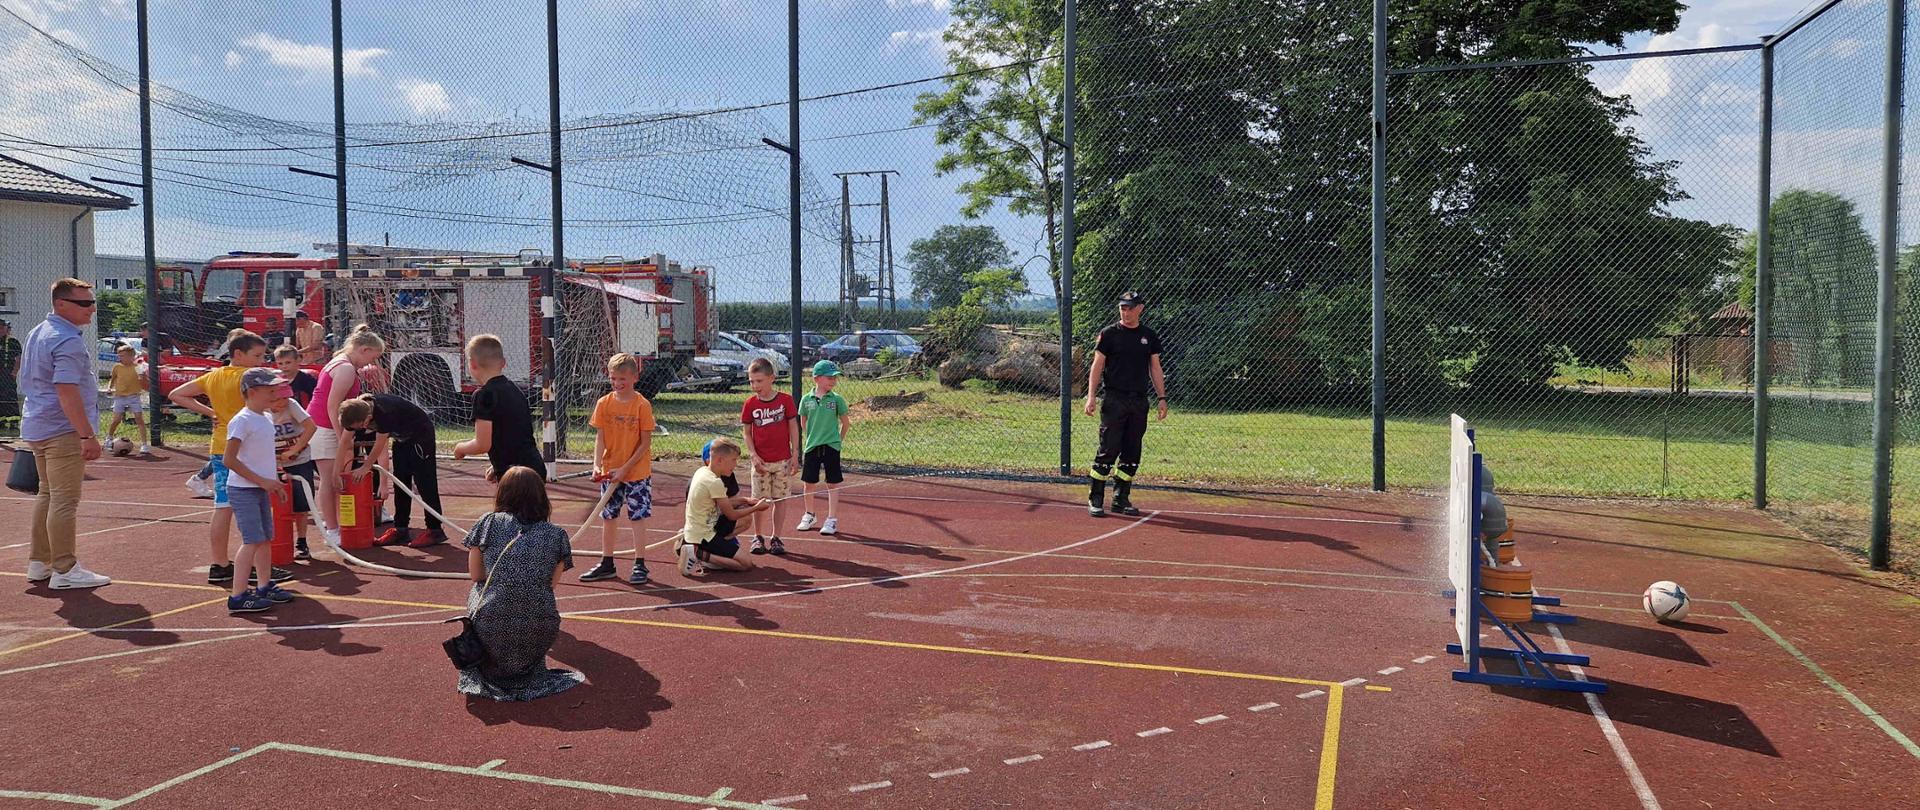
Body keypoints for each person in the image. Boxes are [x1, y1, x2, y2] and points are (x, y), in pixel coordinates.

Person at [169, 329, 289, 586]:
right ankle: (256, 565)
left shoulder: (214, 375)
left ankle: (220, 562)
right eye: (256, 355)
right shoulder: (249, 377)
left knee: (223, 507)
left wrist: (209, 412)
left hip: (221, 445)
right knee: (254, 508)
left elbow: (176, 394)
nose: (260, 361)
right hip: (246, 448)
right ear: (238, 354)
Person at [459, 466, 584, 702]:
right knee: (532, 597)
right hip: (539, 625)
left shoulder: (488, 523)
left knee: (482, 592)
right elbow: (550, 584)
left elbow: (476, 575)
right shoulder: (557, 535)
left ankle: (493, 666)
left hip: (491, 625)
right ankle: (526, 666)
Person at [19, 279, 110, 590]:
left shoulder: (38, 331)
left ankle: (40, 562)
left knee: (47, 494)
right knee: (64, 500)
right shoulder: (67, 339)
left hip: (37, 423)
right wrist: (86, 435)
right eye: (84, 303)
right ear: (61, 305)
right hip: (62, 428)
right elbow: (66, 389)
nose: (92, 308)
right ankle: (65, 569)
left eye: (91, 302)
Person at [1082, 291, 1168, 517]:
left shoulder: (1149, 336)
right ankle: (1096, 498)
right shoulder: (1109, 334)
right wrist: (1091, 396)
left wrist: (1162, 398)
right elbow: (1097, 366)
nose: (1125, 311)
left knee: (1132, 451)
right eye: (1122, 307)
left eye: (1130, 307)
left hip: (1138, 400)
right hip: (1115, 399)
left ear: (1140, 308)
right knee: (1108, 448)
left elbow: (1155, 369)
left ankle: (1121, 498)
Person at [222, 368, 297, 614]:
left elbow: (262, 455)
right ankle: (238, 595)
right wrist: (263, 482)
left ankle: (264, 586)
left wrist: (275, 477)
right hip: (244, 489)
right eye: (270, 391)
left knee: (265, 539)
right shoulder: (242, 421)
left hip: (260, 488)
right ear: (252, 392)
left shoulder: (264, 417)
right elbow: (229, 460)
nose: (275, 395)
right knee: (252, 541)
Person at [580, 353, 655, 585]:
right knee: (608, 516)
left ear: (634, 378)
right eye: (613, 378)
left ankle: (640, 563)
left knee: (637, 516)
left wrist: (625, 468)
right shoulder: (604, 403)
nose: (617, 383)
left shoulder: (642, 405)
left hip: (636, 473)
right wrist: (596, 465)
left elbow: (645, 443)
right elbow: (600, 438)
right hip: (610, 473)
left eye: (622, 379)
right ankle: (607, 562)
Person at [311, 326, 386, 548]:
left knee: (337, 480)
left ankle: (337, 525)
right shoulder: (345, 369)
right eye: (372, 357)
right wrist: (342, 436)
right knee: (329, 480)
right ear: (364, 349)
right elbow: (332, 406)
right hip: (324, 428)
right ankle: (332, 530)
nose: (370, 364)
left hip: (327, 427)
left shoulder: (342, 364)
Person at [339, 393, 447, 547]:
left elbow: (380, 444)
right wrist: (337, 474)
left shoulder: (384, 411)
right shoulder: (355, 412)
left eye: (363, 425)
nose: (363, 429)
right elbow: (344, 443)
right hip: (401, 439)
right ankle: (400, 528)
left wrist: (365, 467)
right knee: (400, 481)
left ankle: (435, 530)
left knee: (425, 482)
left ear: (368, 417)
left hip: (420, 436)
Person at [452, 334, 544, 482]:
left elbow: (482, 444)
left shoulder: (483, 395)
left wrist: (460, 448)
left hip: (514, 477)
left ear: (472, 364)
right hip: (535, 469)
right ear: (503, 363)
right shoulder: (516, 390)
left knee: (510, 505)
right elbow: (515, 434)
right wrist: (497, 466)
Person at [677, 438, 769, 577]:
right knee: (745, 564)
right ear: (720, 460)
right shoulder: (714, 482)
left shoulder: (702, 472)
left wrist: (746, 500)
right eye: (733, 460)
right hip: (705, 535)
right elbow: (731, 515)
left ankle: (690, 545)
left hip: (700, 527)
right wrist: (756, 508)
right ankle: (699, 554)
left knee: (744, 516)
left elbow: (722, 504)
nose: (736, 464)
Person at [740, 357, 798, 555]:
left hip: (782, 460)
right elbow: (747, 432)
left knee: (780, 499)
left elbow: (793, 426)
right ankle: (757, 537)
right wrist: (753, 456)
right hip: (761, 462)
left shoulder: (785, 400)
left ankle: (776, 538)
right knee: (760, 501)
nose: (755, 385)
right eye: (751, 381)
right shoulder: (750, 404)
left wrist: (795, 453)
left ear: (771, 378)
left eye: (759, 381)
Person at [795, 360, 851, 536]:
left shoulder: (837, 400)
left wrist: (837, 441)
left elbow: (845, 423)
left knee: (832, 483)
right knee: (808, 483)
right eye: (829, 378)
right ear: (816, 379)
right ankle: (809, 515)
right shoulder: (806, 400)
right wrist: (812, 436)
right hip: (812, 446)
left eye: (835, 378)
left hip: (831, 447)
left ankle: (831, 519)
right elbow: (803, 422)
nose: (833, 381)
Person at [269, 377, 319, 561]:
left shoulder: (291, 405)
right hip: (272, 463)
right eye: (275, 400)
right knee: (275, 504)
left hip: (299, 461)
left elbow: (310, 426)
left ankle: (302, 542)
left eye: (284, 399)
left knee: (301, 504)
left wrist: (295, 449)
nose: (280, 404)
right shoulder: (261, 410)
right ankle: (275, 540)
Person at [103, 343, 151, 455]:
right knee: (116, 420)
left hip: (134, 396)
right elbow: (113, 379)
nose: (120, 358)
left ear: (131, 356)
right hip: (120, 397)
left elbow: (145, 383)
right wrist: (110, 388)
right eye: (119, 356)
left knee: (139, 419)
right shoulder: (117, 367)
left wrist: (143, 378)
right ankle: (109, 438)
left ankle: (144, 444)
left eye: (123, 356)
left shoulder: (138, 368)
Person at [0, 319, 22, 432]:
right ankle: (2, 421)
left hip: (8, 374)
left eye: (2, 327)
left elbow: (18, 359)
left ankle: (13, 421)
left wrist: (14, 372)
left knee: (10, 397)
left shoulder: (13, 342)